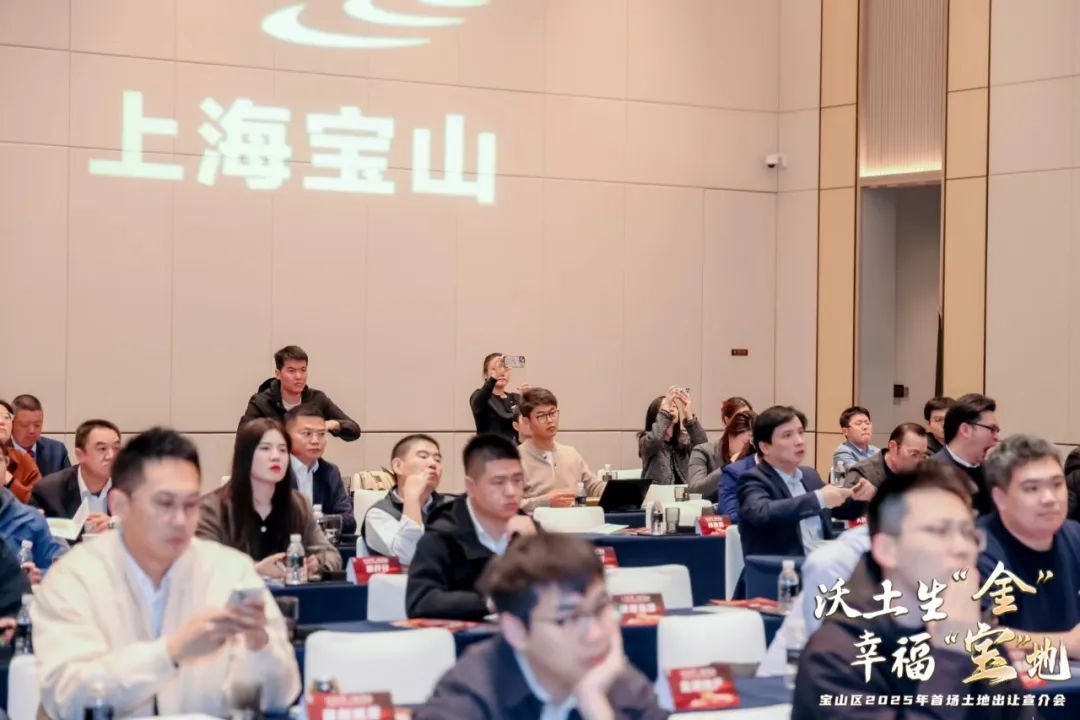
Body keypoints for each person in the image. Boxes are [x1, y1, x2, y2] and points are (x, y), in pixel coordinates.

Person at [32, 427, 300, 719]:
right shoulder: (73, 578)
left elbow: (279, 699)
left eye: (191, 504)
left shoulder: (231, 570)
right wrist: (171, 651)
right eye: (165, 503)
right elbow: (69, 697)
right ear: (119, 505)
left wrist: (261, 647)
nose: (181, 520)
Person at [792, 463, 1035, 720]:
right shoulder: (834, 655)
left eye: (968, 533)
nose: (962, 548)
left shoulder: (971, 627)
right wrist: (950, 656)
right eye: (939, 531)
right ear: (887, 549)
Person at [416, 533, 668, 720]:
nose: (595, 634)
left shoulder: (615, 679)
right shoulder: (469, 697)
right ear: (516, 631)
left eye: (600, 608)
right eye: (568, 618)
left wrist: (596, 707)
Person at [406, 434, 537, 621]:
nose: (511, 491)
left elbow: (564, 591)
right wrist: (493, 602)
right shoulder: (443, 534)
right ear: (471, 486)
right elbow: (420, 602)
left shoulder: (528, 527)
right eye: (498, 482)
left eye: (517, 480)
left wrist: (536, 547)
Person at [197, 419, 341, 580]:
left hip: (290, 594)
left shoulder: (298, 504)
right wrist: (255, 570)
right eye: (265, 448)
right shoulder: (212, 507)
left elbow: (331, 554)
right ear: (245, 456)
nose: (275, 457)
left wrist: (317, 563)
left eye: (282, 450)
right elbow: (201, 563)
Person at [738, 406, 871, 558]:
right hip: (780, 569)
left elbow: (842, 509)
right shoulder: (754, 479)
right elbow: (762, 513)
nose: (799, 441)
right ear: (765, 447)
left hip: (821, 564)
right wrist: (818, 498)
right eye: (788, 435)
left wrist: (861, 496)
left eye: (800, 433)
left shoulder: (809, 476)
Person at [979, 434, 1080, 633]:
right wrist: (1067, 642)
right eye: (1032, 488)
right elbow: (974, 636)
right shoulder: (974, 552)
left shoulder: (1075, 535)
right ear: (1000, 498)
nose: (1049, 498)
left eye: (1057, 484)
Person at [363, 433, 453, 564]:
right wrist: (412, 498)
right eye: (423, 456)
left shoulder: (453, 507)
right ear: (398, 466)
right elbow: (410, 556)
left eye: (437, 459)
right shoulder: (379, 514)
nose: (433, 464)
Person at [239, 345, 360, 441]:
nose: (299, 376)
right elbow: (243, 437)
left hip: (307, 462)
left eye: (303, 370)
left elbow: (354, 430)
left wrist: (332, 424)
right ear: (278, 374)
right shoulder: (261, 402)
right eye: (291, 371)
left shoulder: (316, 399)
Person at [517, 388, 605, 511]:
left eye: (552, 413)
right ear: (527, 421)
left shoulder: (570, 453)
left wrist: (618, 491)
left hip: (574, 520)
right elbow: (506, 505)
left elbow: (594, 486)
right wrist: (545, 502)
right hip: (536, 522)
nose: (550, 420)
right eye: (541, 416)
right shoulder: (515, 458)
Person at [31, 419, 121, 535]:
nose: (111, 456)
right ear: (80, 455)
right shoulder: (48, 491)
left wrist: (115, 525)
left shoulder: (133, 487)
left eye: (116, 448)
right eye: (102, 449)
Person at [284, 404, 355, 533]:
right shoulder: (275, 470)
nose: (315, 441)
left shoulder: (330, 471)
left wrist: (319, 521)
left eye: (321, 434)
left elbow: (349, 521)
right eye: (307, 433)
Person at [0, 445, 67, 579]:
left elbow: (61, 573)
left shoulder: (30, 520)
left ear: (6, 465)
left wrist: (36, 577)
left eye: (0, 460)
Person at [931, 392, 999, 515]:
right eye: (992, 429)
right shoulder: (928, 475)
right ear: (965, 430)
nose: (997, 437)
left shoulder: (992, 474)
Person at [638, 387, 708, 486]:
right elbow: (655, 439)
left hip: (684, 493)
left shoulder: (684, 440)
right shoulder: (646, 440)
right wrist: (666, 413)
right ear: (657, 415)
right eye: (666, 407)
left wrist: (689, 415)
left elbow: (703, 446)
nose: (671, 409)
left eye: (674, 406)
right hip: (658, 493)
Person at [689, 410, 755, 500]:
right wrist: (728, 467)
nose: (749, 448)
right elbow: (695, 490)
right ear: (730, 435)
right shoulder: (703, 451)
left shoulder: (755, 456)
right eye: (746, 443)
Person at [845, 423, 929, 489]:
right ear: (893, 446)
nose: (919, 462)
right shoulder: (862, 474)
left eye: (923, 456)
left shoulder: (924, 475)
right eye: (914, 454)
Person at [9, 394, 71, 476]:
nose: (32, 431)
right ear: (11, 424)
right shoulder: (2, 452)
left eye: (37, 425)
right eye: (25, 425)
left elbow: (70, 483)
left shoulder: (57, 451)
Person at [470, 353, 526, 442]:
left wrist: (528, 400)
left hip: (513, 449)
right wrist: (494, 377)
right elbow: (478, 403)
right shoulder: (479, 396)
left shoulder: (516, 398)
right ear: (485, 374)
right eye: (494, 369)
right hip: (489, 448)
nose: (502, 372)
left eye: (505, 369)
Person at [0, 399, 40, 503]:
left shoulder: (23, 459)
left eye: (6, 417)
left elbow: (39, 502)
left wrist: (10, 480)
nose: (2, 422)